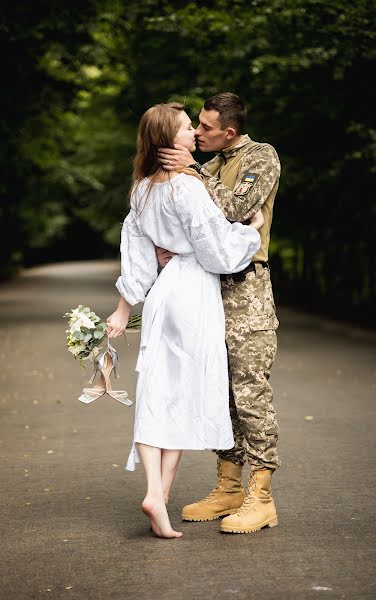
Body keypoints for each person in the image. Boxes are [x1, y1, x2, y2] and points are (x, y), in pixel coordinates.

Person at [106, 102, 262, 539]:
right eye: (185, 126)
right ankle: (158, 495)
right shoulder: (186, 187)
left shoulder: (141, 189)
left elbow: (136, 259)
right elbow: (214, 246)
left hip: (162, 295)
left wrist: (124, 308)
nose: (194, 131)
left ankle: (157, 494)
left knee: (159, 392)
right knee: (184, 393)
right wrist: (252, 230)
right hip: (193, 293)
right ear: (168, 138)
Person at [157, 92, 281, 534]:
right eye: (197, 125)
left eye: (206, 127)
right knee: (219, 391)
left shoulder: (260, 157)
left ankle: (261, 496)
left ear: (229, 131)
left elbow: (233, 208)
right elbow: (187, 219)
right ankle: (228, 487)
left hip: (247, 290)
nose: (197, 132)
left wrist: (190, 172)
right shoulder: (207, 168)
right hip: (207, 289)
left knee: (249, 391)